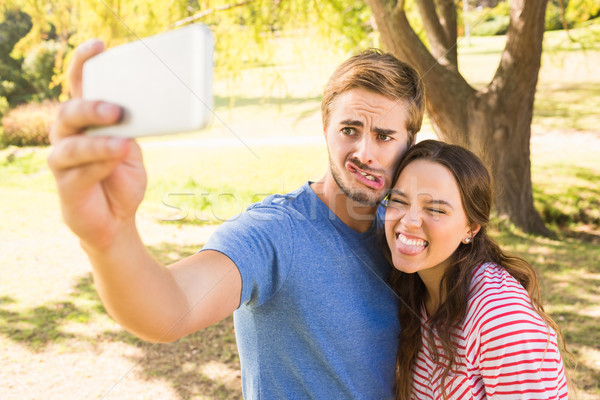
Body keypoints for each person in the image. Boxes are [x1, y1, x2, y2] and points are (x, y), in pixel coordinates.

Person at [47, 41, 426, 399]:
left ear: (409, 144)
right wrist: (110, 238)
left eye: (384, 136)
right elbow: (170, 308)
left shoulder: (400, 235)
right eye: (349, 130)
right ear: (325, 129)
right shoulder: (275, 232)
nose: (365, 152)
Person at [383, 140, 570, 399]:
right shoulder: (414, 289)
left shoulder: (501, 320)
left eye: (435, 209)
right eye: (399, 201)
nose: (409, 221)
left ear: (471, 228)